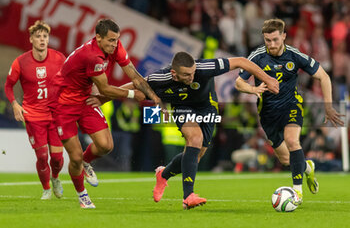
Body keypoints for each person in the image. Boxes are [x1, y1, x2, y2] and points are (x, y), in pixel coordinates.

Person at [91, 51, 279, 209]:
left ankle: (163, 174)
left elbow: (242, 62)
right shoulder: (160, 78)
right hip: (182, 106)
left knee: (196, 155)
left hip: (207, 106)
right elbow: (134, 85)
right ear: (174, 74)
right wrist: (102, 98)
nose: (192, 77)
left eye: (193, 73)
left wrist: (268, 79)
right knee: (194, 139)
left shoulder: (204, 68)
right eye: (187, 75)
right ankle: (188, 196)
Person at [53, 18, 162, 208]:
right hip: (63, 104)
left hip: (85, 99)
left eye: (116, 40)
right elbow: (104, 89)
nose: (114, 44)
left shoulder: (116, 47)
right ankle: (83, 196)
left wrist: (153, 96)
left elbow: (134, 75)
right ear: (98, 38)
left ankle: (86, 164)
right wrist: (131, 94)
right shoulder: (91, 56)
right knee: (75, 156)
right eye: (110, 40)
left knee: (105, 146)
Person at [235, 18, 344, 204]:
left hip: (291, 105)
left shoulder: (294, 55)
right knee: (286, 160)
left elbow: (324, 77)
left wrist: (328, 106)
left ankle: (297, 193)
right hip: (268, 114)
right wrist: (253, 90)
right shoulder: (257, 56)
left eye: (275, 40)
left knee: (293, 141)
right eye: (267, 40)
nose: (271, 44)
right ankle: (307, 168)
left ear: (284, 36)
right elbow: (239, 82)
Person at [4, 20, 65, 200]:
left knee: (56, 158)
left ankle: (55, 178)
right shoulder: (20, 62)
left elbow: (70, 79)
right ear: (31, 39)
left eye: (45, 36)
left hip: (56, 115)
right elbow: (8, 86)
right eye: (38, 36)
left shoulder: (59, 58)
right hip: (33, 115)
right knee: (42, 156)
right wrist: (15, 104)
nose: (42, 40)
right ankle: (46, 188)